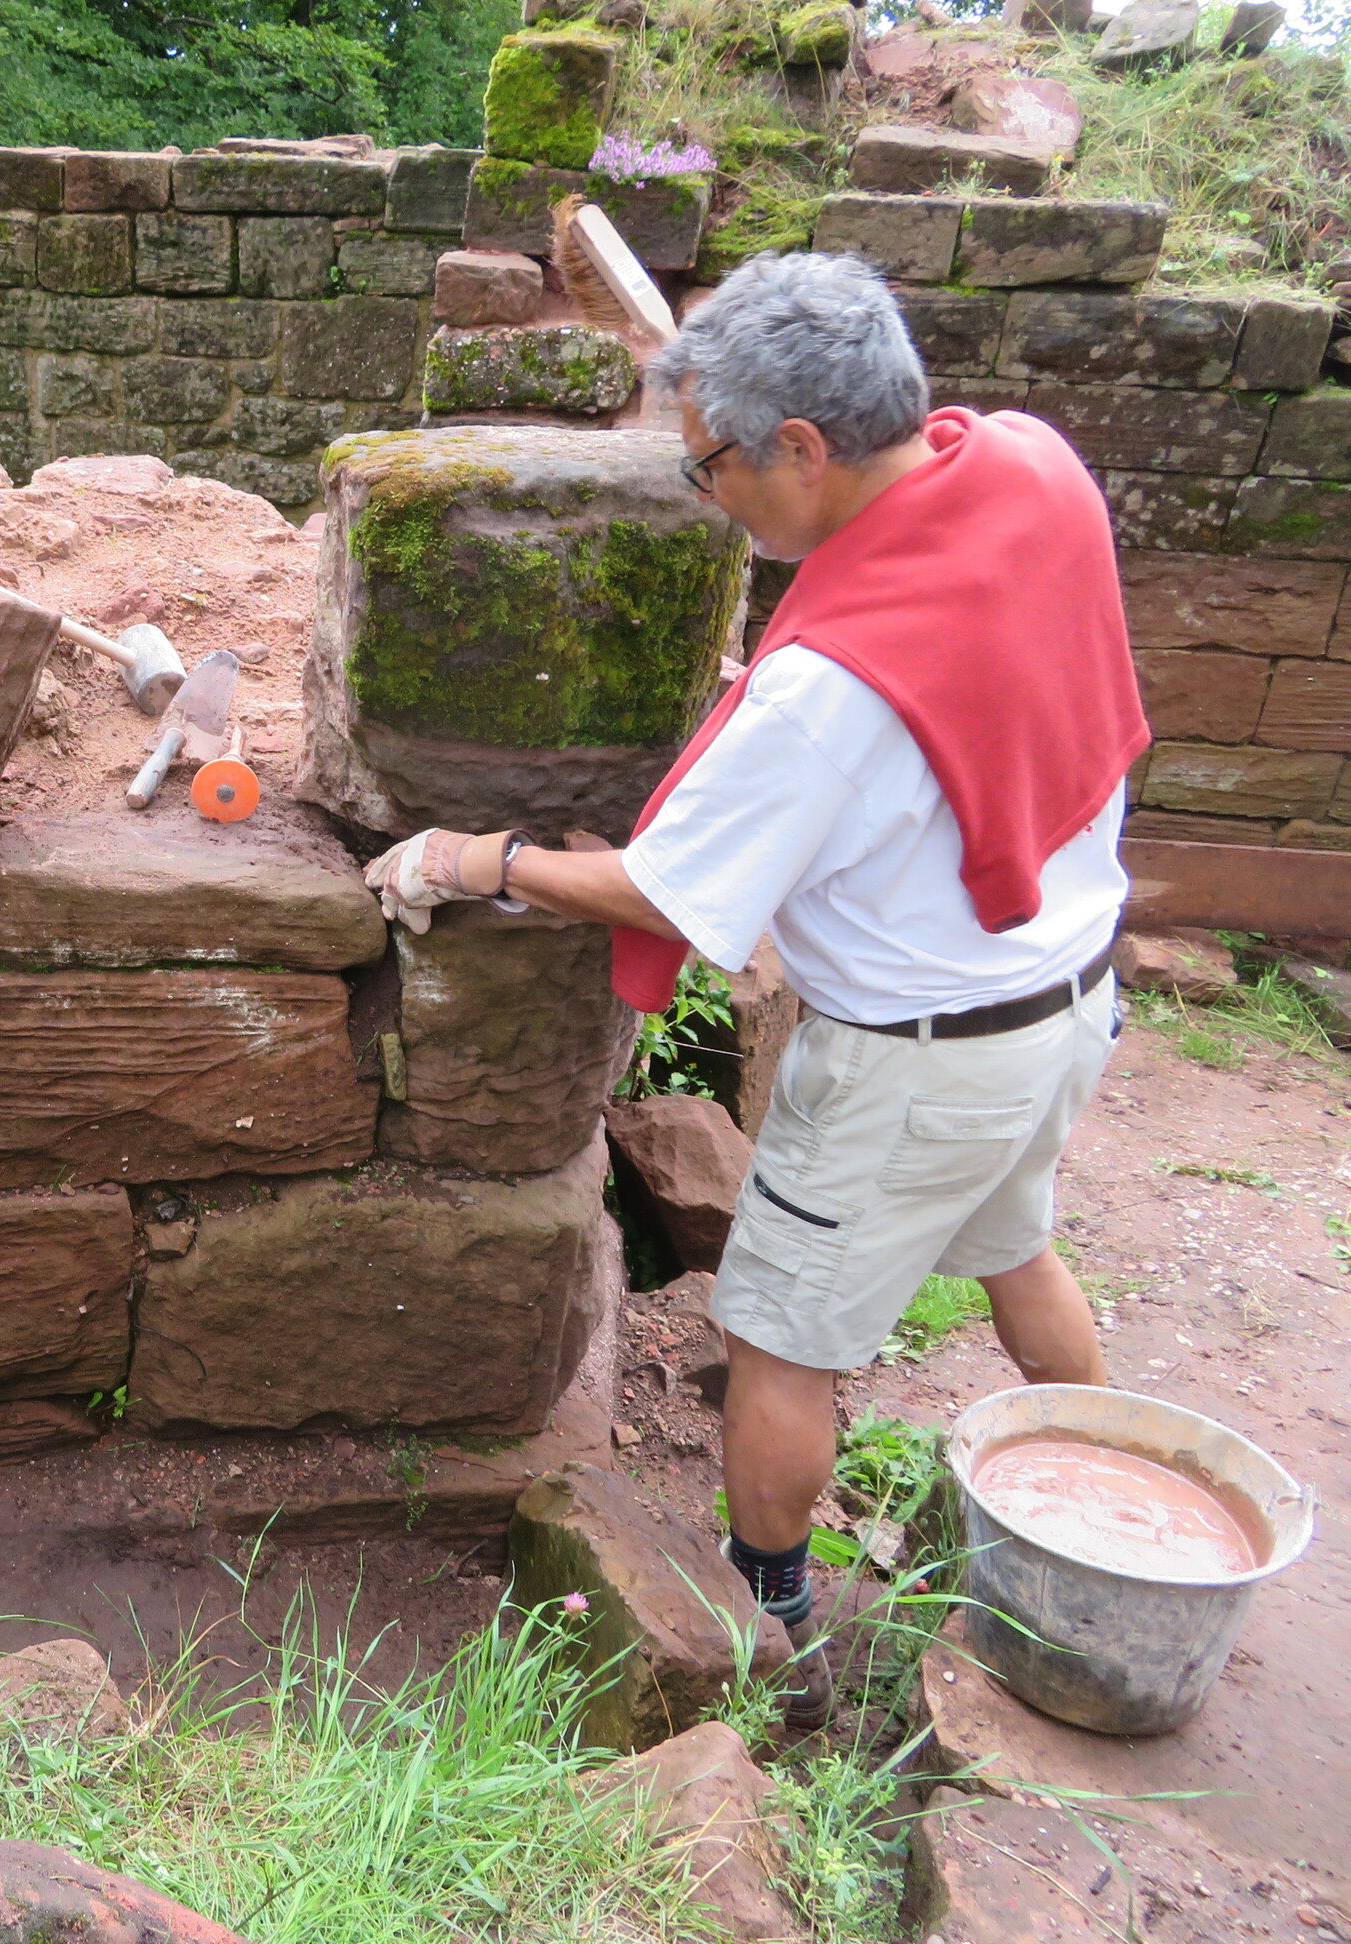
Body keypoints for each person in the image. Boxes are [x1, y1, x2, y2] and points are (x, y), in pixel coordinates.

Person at [365, 251, 1150, 1727]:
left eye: (711, 463)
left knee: (778, 1339)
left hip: (917, 1060)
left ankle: (768, 1617)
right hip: (1060, 1000)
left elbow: (672, 894)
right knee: (1015, 1245)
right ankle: (1106, 1529)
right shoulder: (1030, 468)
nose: (705, 491)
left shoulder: (830, 692)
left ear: (802, 445)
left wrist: (486, 857)